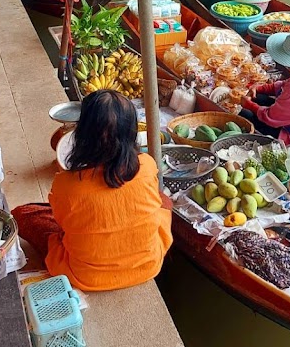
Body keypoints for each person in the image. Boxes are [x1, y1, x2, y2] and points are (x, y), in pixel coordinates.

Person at [12, 90, 172, 292]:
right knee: (163, 201)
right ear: (131, 133)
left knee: (22, 214)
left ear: (81, 134)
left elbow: (62, 225)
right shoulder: (147, 165)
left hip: (85, 276)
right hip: (148, 266)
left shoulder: (67, 184)